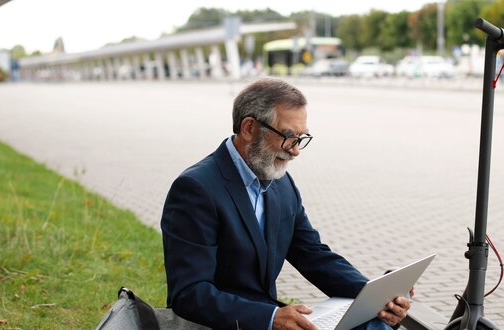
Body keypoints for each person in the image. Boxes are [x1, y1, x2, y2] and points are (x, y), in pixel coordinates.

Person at [161, 77, 410, 329]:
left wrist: (373, 295)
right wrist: (270, 319)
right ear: (249, 128)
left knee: (374, 324)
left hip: (268, 316)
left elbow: (311, 253)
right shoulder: (196, 189)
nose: (295, 151)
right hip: (224, 323)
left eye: (301, 138)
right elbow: (189, 294)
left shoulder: (280, 182)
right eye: (288, 137)